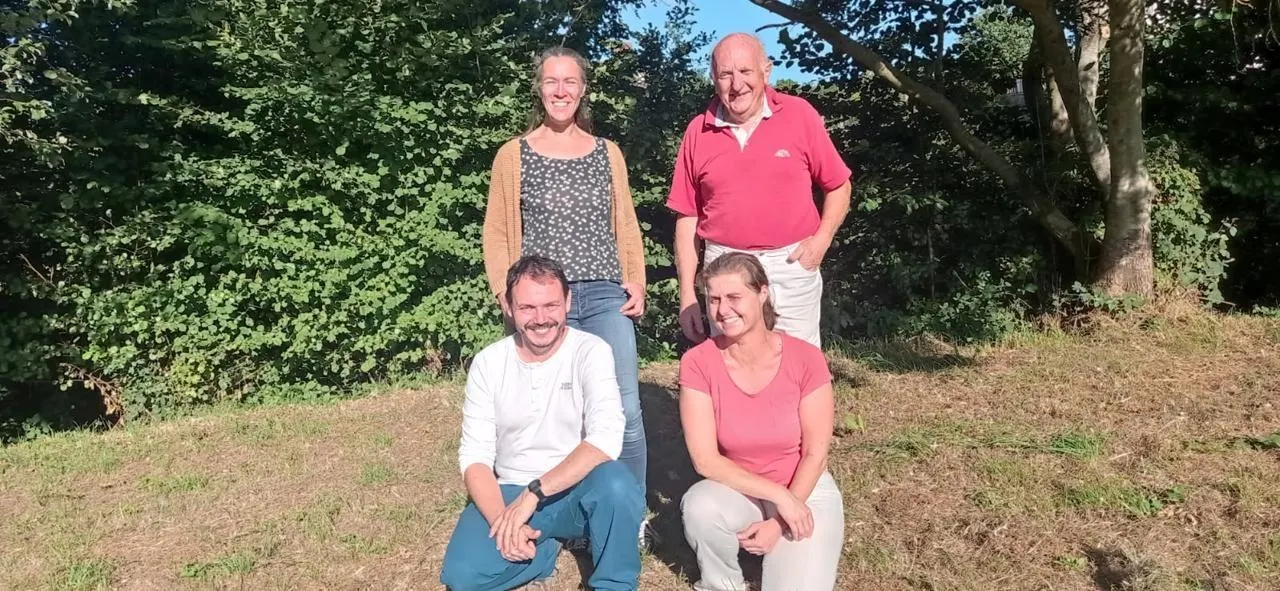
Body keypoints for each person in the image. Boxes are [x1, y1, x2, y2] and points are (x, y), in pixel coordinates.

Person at [482, 46, 649, 500]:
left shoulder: (607, 153)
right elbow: (496, 231)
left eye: (570, 81)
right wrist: (504, 291)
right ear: (539, 89)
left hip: (604, 295)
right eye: (552, 81)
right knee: (551, 412)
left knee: (624, 407)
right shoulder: (513, 155)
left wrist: (636, 278)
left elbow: (626, 223)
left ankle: (628, 510)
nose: (561, 90)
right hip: (542, 302)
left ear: (582, 89)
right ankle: (553, 505)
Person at [440, 256, 645, 591]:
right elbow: (475, 457)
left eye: (551, 305)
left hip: (579, 486)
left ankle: (614, 583)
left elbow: (606, 438)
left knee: (618, 484)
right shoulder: (489, 363)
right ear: (508, 306)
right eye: (527, 308)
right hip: (511, 488)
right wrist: (503, 522)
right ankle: (542, 548)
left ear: (567, 301)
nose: (540, 319)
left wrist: (534, 494)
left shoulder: (591, 351)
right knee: (462, 577)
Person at [666, 33, 853, 349]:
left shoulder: (799, 115)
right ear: (714, 79)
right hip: (724, 265)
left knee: (797, 358)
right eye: (726, 74)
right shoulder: (698, 131)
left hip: (790, 263)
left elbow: (838, 185)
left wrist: (821, 241)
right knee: (732, 359)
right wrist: (687, 294)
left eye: (745, 71)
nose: (736, 84)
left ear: (766, 72)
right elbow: (687, 218)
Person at [678, 252, 844, 591]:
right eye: (714, 299)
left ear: (763, 293)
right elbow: (705, 460)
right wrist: (777, 496)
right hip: (739, 489)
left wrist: (781, 518)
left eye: (734, 297)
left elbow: (816, 454)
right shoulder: (698, 362)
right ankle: (722, 584)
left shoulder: (806, 358)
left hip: (803, 488)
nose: (723, 310)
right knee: (699, 506)